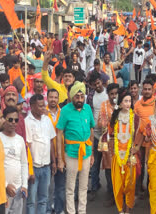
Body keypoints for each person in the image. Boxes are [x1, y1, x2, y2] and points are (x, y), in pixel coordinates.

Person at [56, 81, 95, 214]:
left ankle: (82, 211)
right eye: (77, 96)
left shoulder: (88, 109)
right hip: (71, 153)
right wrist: (60, 159)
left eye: (81, 96)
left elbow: (92, 129)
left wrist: (92, 153)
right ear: (72, 96)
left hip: (86, 152)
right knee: (70, 187)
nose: (79, 99)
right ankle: (71, 212)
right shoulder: (65, 110)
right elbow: (59, 133)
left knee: (84, 186)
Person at [109, 89, 139, 214]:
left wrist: (136, 148)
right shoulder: (115, 117)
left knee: (130, 186)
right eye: (125, 101)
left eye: (129, 101)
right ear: (120, 103)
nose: (128, 103)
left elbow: (140, 134)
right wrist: (112, 152)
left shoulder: (135, 118)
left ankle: (127, 211)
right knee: (118, 185)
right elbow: (110, 136)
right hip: (117, 156)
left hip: (130, 158)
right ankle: (120, 210)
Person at [25, 94, 56, 214]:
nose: (43, 108)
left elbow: (51, 142)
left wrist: (53, 162)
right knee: (31, 201)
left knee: (43, 199)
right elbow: (27, 147)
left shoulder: (47, 120)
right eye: (40, 106)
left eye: (44, 105)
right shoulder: (27, 122)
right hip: (34, 168)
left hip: (46, 167)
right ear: (32, 106)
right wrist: (30, 170)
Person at [0, 106, 28, 214]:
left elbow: (24, 163)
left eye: (16, 120)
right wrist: (6, 185)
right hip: (2, 190)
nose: (13, 123)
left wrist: (24, 185)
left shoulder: (20, 140)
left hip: (18, 190)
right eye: (10, 119)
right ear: (3, 120)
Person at [98, 83, 119, 207]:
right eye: (111, 94)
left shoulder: (121, 105)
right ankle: (111, 193)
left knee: (119, 168)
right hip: (107, 141)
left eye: (116, 93)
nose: (114, 96)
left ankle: (118, 194)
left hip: (120, 142)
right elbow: (100, 123)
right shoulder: (103, 105)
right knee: (108, 168)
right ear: (108, 94)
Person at [89, 71, 108, 201]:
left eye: (98, 83)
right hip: (95, 136)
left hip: (107, 136)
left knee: (107, 165)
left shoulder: (108, 93)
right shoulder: (90, 97)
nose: (97, 86)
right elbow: (90, 113)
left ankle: (111, 191)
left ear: (102, 81)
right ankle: (94, 188)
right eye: (95, 84)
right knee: (95, 164)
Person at [134, 79, 155, 196]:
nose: (147, 91)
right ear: (142, 90)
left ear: (152, 90)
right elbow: (135, 123)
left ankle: (149, 190)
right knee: (139, 164)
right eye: (145, 89)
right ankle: (138, 189)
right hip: (140, 140)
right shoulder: (137, 104)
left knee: (151, 166)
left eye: (149, 89)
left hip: (153, 140)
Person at [46, 89, 66, 214]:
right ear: (47, 98)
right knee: (47, 186)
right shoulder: (42, 113)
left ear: (58, 99)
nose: (53, 99)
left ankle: (59, 209)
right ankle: (47, 210)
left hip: (61, 154)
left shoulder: (63, 113)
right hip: (46, 154)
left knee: (60, 185)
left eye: (55, 97)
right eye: (51, 97)